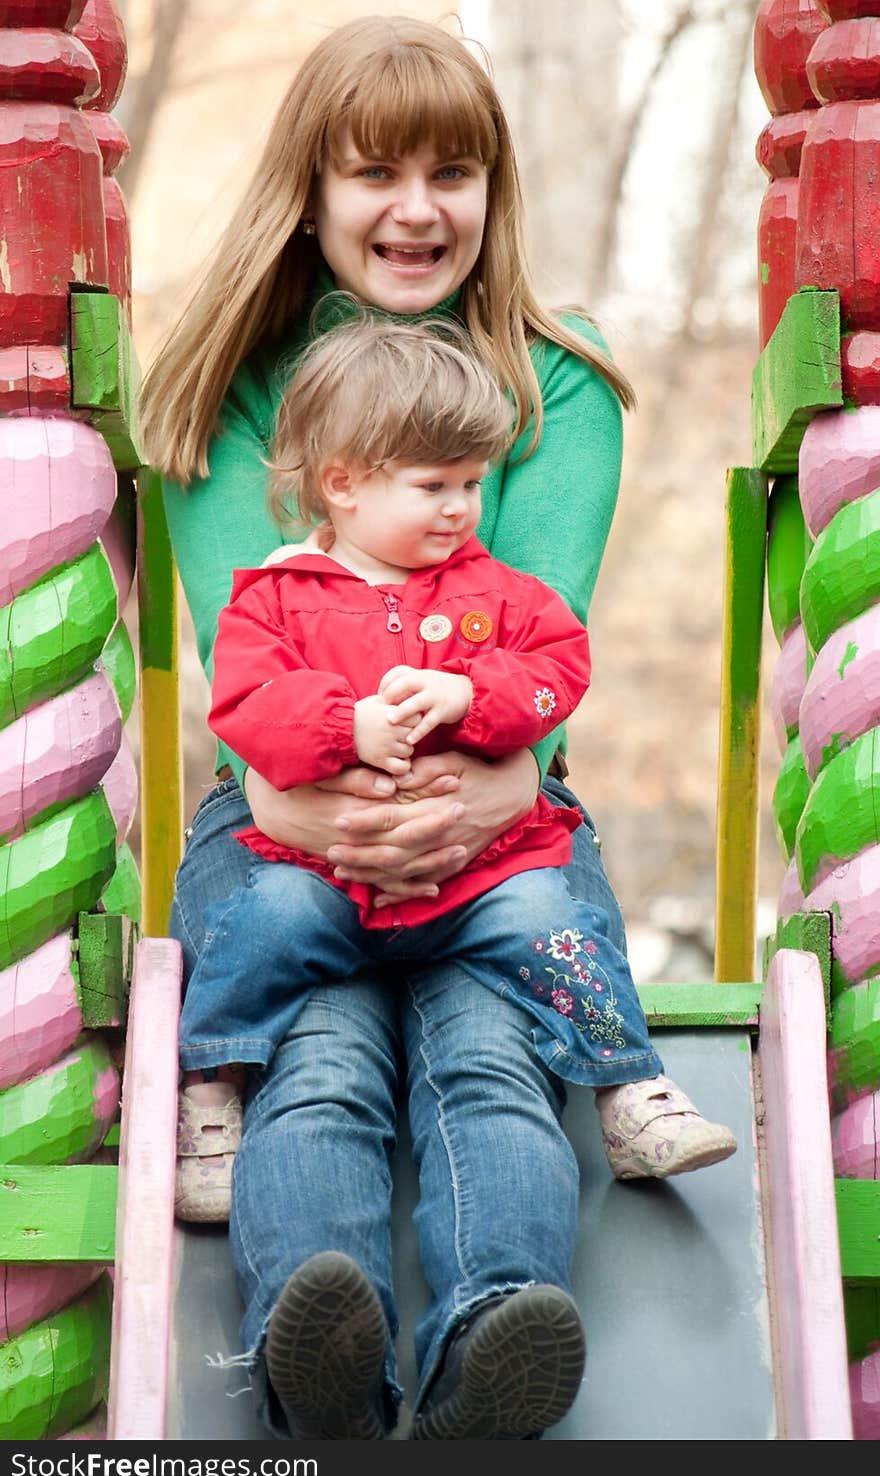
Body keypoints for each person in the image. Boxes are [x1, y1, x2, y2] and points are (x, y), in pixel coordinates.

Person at [142, 16, 735, 1441]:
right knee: (325, 1055)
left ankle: (490, 1345)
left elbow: (539, 633)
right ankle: (319, 1357)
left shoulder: (553, 377)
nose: (419, 208)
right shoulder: (228, 379)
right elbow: (252, 649)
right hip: (290, 817)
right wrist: (314, 821)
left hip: (501, 814)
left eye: (455, 171)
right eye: (376, 172)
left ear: (495, 187)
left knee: (486, 1054)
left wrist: (481, 797)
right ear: (312, 184)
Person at [175, 318, 734, 1236]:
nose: (461, 508)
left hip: (474, 875)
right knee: (262, 921)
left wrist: (470, 696)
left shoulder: (500, 595)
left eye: (472, 483)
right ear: (343, 483)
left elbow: (560, 670)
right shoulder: (275, 598)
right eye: (433, 486)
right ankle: (213, 1090)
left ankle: (629, 1087)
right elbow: (245, 704)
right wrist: (341, 724)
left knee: (554, 918)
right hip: (326, 874)